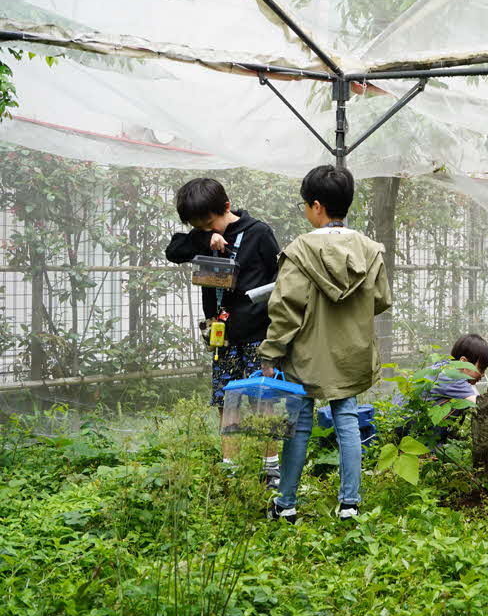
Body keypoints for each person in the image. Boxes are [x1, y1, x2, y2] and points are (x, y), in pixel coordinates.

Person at [259, 165, 391, 524]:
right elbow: (380, 299)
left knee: (299, 424)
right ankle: (350, 504)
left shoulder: (299, 251)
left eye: (305, 204)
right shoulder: (369, 250)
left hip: (307, 356)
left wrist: (271, 352)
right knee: (346, 420)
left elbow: (286, 309)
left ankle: (285, 504)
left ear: (316, 206)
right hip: (353, 352)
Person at [164, 177, 281, 483]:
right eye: (197, 226)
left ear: (226, 207)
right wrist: (206, 239)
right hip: (222, 337)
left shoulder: (258, 233)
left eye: (209, 224)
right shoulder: (202, 234)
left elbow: (279, 276)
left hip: (258, 336)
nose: (205, 229)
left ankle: (271, 466)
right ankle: (229, 466)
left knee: (263, 399)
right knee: (226, 399)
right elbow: (173, 250)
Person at [395, 334, 488, 449]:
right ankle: (430, 448)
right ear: (463, 362)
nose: (483, 374)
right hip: (405, 429)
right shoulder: (452, 377)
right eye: (481, 368)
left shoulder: (444, 368)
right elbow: (480, 404)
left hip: (399, 423)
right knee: (460, 404)